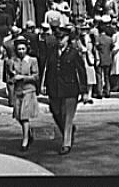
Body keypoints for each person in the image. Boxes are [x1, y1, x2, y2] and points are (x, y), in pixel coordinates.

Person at [44, 21, 88, 155]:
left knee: (68, 116)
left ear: (67, 38)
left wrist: (84, 91)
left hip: (70, 88)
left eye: (62, 38)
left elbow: (81, 72)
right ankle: (68, 131)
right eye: (57, 38)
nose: (60, 41)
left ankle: (66, 143)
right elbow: (48, 68)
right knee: (56, 113)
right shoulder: (52, 51)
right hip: (54, 87)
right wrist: (45, 85)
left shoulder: (73, 53)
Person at [6, 36, 39, 151]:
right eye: (19, 49)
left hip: (29, 90)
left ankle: (25, 140)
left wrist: (23, 77)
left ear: (27, 49)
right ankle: (28, 132)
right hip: (18, 90)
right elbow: (9, 76)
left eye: (23, 49)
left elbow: (36, 76)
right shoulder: (12, 61)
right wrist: (12, 78)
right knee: (18, 116)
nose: (21, 51)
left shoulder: (32, 60)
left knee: (24, 116)